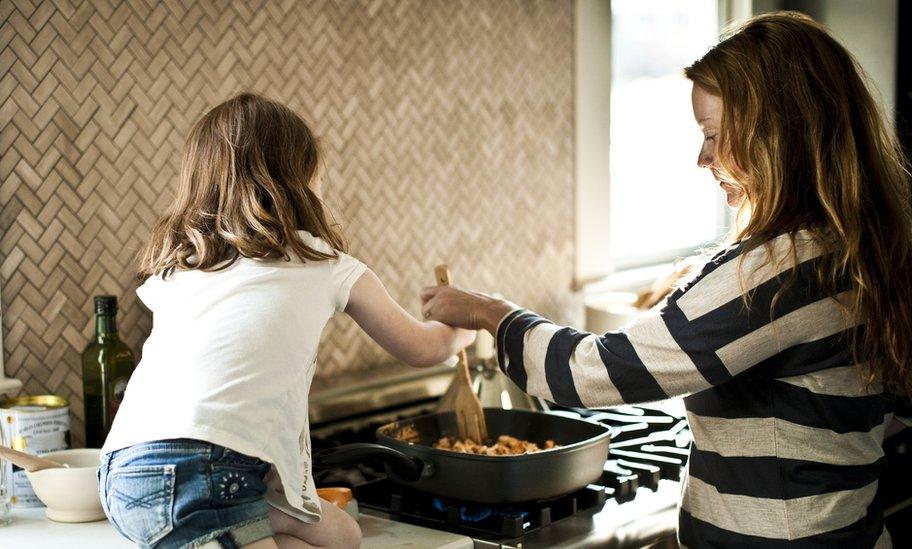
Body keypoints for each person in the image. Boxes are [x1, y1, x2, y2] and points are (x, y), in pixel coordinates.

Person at [421, 12, 912, 547]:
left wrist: (489, 313)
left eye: (713, 134)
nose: (703, 158)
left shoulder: (776, 274)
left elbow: (590, 372)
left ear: (779, 132)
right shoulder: (859, 248)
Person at [98, 93, 474, 549]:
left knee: (343, 536)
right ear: (300, 179)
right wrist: (469, 320)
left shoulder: (184, 267)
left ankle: (253, 526)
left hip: (121, 473)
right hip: (205, 474)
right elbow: (425, 348)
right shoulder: (325, 264)